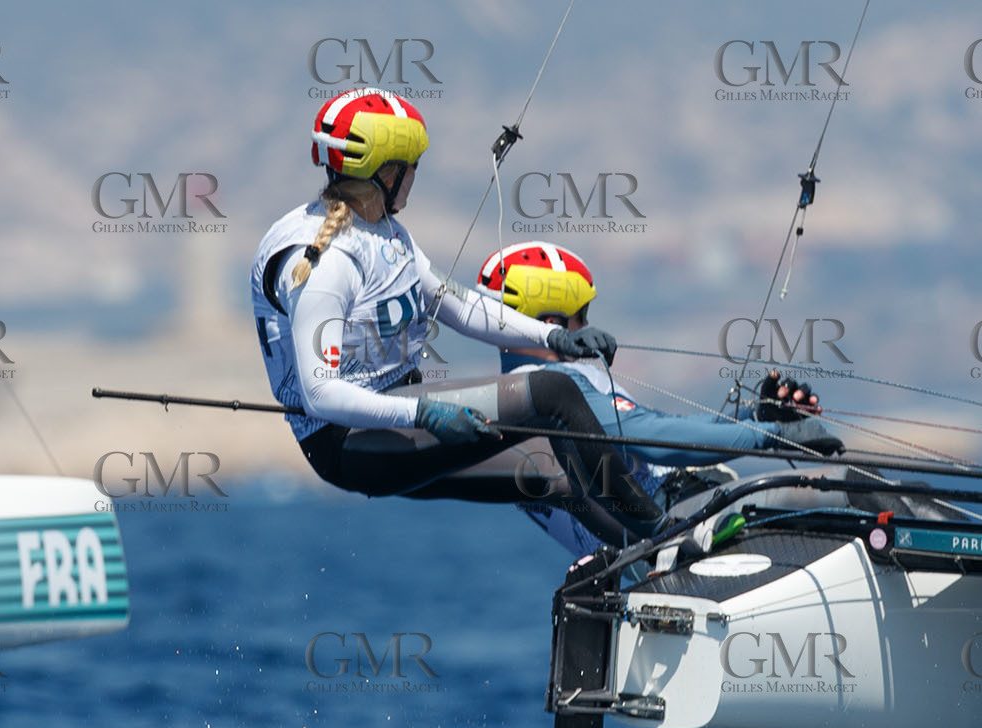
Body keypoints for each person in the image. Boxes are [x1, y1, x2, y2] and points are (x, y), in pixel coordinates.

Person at [249, 88, 667, 547]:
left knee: (550, 475)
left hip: (404, 413)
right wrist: (425, 413)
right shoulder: (328, 265)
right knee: (553, 392)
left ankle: (651, 560)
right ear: (387, 172)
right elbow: (320, 393)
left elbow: (458, 305)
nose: (414, 179)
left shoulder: (386, 233)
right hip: (352, 444)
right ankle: (665, 533)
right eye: (412, 168)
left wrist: (554, 338)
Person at [475, 241, 844, 558]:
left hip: (652, 540)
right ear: (551, 322)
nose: (586, 327)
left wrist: (755, 416)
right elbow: (654, 438)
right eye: (581, 316)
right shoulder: (551, 389)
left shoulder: (509, 395)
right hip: (673, 526)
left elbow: (659, 432)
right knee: (851, 489)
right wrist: (769, 436)